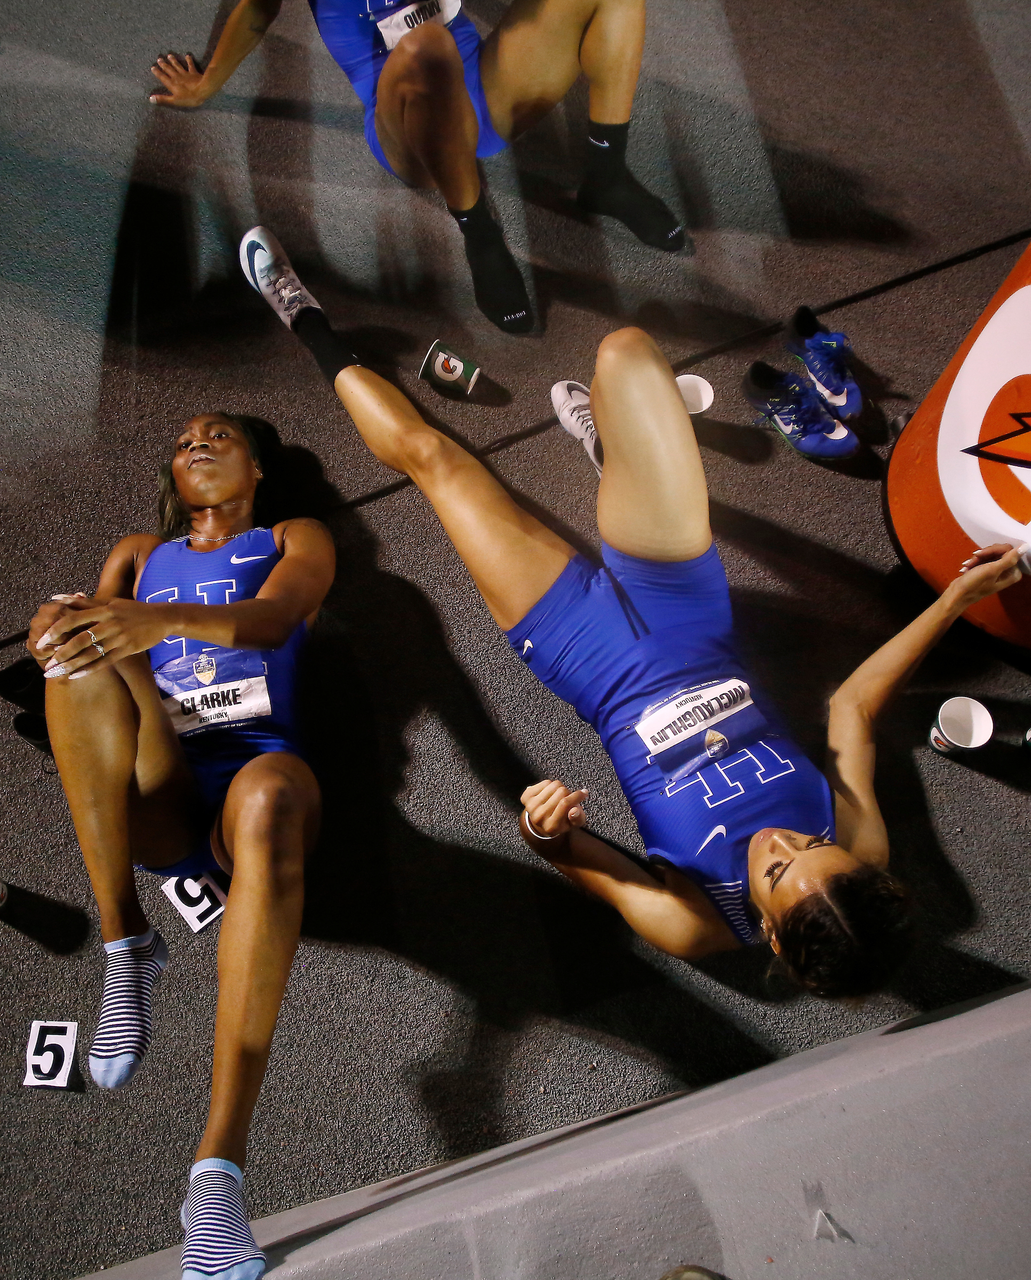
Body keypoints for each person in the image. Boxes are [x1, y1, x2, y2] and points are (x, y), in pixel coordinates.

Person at [243, 227, 1027, 1000]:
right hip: (688, 615)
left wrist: (544, 826)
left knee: (436, 460)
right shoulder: (858, 847)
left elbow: (562, 853)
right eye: (806, 843)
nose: (781, 841)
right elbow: (852, 707)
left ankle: (300, 315)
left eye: (776, 869)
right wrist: (953, 600)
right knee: (624, 352)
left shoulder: (695, 921)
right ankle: (611, 452)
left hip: (582, 654)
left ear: (772, 934)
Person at [28, 414, 335, 1280]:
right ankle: (127, 942)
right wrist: (59, 623)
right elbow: (81, 639)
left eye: (219, 433)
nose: (197, 441)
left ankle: (215, 1180)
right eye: (183, 438)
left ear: (257, 468)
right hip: (163, 773)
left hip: (257, 769)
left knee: (270, 798)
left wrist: (152, 622)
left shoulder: (291, 535)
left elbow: (275, 619)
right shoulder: (138, 555)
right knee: (72, 653)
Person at [149, 0, 687, 334]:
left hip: (485, 84)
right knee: (425, 47)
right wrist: (207, 84)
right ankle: (481, 235)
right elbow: (257, 8)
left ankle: (607, 173)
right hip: (409, 123)